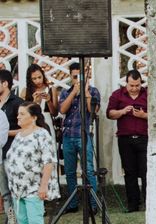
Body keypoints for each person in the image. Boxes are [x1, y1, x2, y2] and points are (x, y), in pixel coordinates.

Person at [4, 103, 60, 224]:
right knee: (23, 220)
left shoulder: (42, 134)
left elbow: (48, 162)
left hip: (34, 186)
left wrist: (43, 186)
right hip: (18, 187)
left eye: (22, 114)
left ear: (33, 117)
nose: (18, 117)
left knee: (35, 221)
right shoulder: (20, 135)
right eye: (18, 114)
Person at [58, 62, 100, 213]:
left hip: (83, 135)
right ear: (70, 76)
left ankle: (92, 205)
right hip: (68, 135)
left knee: (88, 170)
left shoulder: (93, 91)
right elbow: (62, 109)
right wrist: (73, 92)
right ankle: (73, 204)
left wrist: (86, 91)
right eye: (75, 76)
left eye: (80, 76)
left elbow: (93, 111)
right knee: (69, 171)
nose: (77, 80)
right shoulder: (65, 92)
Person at [107, 69, 148, 213]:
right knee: (129, 172)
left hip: (144, 138)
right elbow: (110, 113)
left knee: (146, 172)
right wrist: (122, 111)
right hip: (125, 139)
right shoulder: (117, 95)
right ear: (126, 83)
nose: (135, 88)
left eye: (137, 85)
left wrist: (143, 115)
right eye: (132, 85)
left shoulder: (147, 94)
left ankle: (148, 204)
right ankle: (133, 205)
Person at [0, 69, 23, 224]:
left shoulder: (17, 103)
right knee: (6, 194)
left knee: (16, 193)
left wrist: (5, 133)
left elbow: (27, 128)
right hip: (0, 155)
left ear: (5, 83)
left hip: (13, 153)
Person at [21, 64, 59, 157]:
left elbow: (55, 113)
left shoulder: (51, 89)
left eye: (39, 77)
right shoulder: (25, 91)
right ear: (30, 79)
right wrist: (34, 103)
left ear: (43, 75)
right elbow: (22, 113)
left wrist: (49, 100)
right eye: (34, 79)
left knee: (49, 153)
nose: (38, 81)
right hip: (32, 125)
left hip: (47, 124)